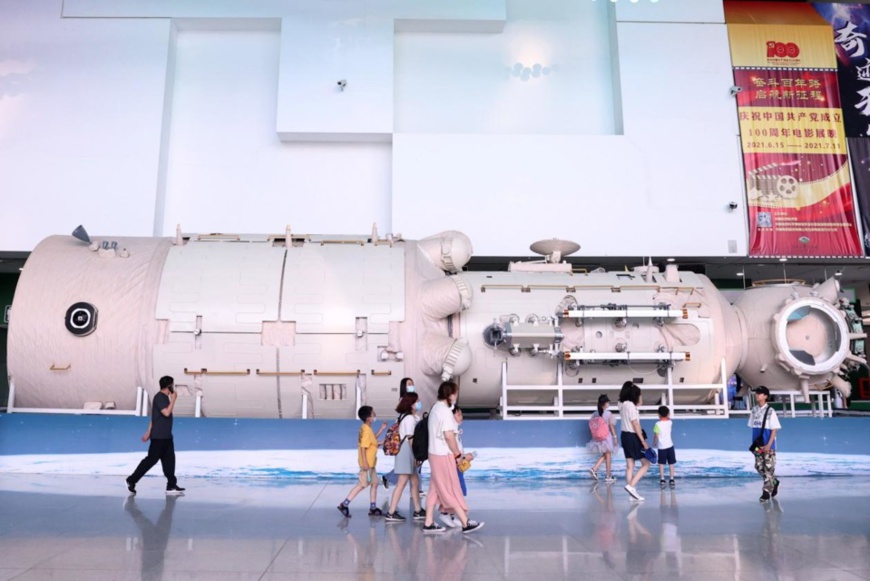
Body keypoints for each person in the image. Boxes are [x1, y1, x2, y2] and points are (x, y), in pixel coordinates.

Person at [422, 381, 484, 534]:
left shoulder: (435, 408)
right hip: (443, 455)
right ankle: (465, 522)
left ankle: (429, 523)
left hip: (434, 454)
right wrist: (458, 455)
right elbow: (449, 436)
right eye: (455, 393)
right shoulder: (444, 411)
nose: (456, 396)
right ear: (450, 395)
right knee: (450, 488)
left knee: (435, 489)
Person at [126, 376, 185, 495]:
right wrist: (174, 399)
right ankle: (131, 480)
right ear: (169, 386)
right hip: (159, 437)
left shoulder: (164, 398)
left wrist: (148, 432)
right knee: (151, 460)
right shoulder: (159, 397)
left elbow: (154, 418)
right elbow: (166, 413)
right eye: (172, 385)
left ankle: (171, 485)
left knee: (169, 461)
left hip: (167, 436)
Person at [337, 405, 388, 517]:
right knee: (362, 485)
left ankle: (373, 509)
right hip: (367, 464)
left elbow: (372, 441)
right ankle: (344, 505)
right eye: (373, 413)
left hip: (371, 463)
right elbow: (364, 447)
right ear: (368, 417)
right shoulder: (365, 430)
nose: (374, 415)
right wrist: (365, 463)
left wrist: (381, 430)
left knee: (374, 483)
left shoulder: (366, 428)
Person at [384, 393, 426, 522]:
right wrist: (417, 455)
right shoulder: (409, 419)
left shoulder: (402, 416)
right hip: (406, 452)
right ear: (411, 404)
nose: (418, 403)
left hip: (405, 451)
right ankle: (391, 512)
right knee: (402, 483)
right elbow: (411, 439)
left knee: (415, 482)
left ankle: (418, 510)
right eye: (416, 401)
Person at [439, 405, 476, 528]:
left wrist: (464, 456)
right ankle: (446, 513)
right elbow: (452, 451)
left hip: (456, 464)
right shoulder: (451, 432)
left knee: (456, 491)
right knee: (456, 491)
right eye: (458, 414)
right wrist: (464, 457)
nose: (461, 417)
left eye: (461, 414)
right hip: (453, 465)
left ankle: (450, 514)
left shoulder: (455, 431)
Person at [618, 381, 651, 501]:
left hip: (624, 436)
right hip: (632, 436)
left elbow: (639, 404)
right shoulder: (631, 405)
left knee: (630, 466)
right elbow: (635, 423)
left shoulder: (620, 404)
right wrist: (643, 441)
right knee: (646, 463)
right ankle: (631, 486)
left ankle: (632, 494)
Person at [382, 377, 416, 490]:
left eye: (412, 383)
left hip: (408, 431)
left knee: (410, 467)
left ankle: (415, 489)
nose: (411, 385)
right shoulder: (404, 400)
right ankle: (390, 478)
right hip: (406, 436)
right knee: (409, 466)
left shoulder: (412, 398)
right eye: (408, 384)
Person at [749, 386, 782, 502]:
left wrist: (769, 444)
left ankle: (766, 492)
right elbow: (753, 427)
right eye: (756, 393)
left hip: (769, 445)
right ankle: (774, 481)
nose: (757, 395)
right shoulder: (754, 410)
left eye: (760, 393)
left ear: (766, 396)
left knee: (769, 468)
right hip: (758, 445)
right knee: (758, 466)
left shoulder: (771, 411)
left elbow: (774, 429)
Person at [588, 394, 618, 483]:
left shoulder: (595, 414)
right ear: (605, 403)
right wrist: (615, 437)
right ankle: (606, 475)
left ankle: (596, 469)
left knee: (606, 455)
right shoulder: (608, 414)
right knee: (608, 455)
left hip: (598, 438)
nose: (608, 403)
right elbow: (611, 427)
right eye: (608, 402)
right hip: (606, 437)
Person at [654, 405, 677, 488]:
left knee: (661, 463)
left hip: (661, 447)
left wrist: (655, 442)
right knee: (671, 463)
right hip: (670, 445)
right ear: (668, 414)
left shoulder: (657, 424)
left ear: (658, 414)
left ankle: (662, 479)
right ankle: (671, 479)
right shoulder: (670, 422)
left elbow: (656, 435)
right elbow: (668, 418)